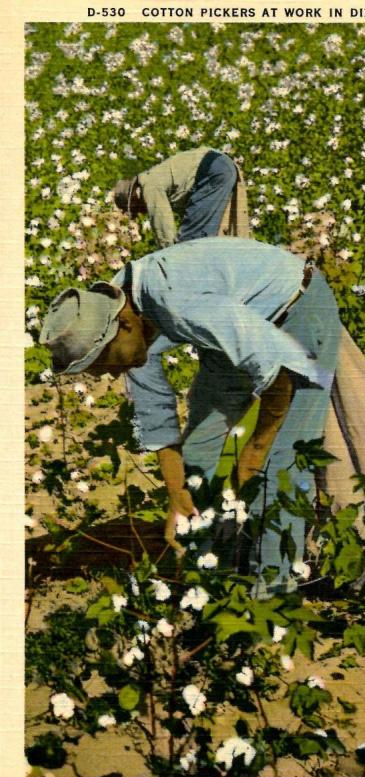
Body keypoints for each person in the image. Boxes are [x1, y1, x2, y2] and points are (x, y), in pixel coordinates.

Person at [40, 238, 341, 597]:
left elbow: (274, 370)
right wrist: (176, 493)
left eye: (103, 362)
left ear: (124, 325)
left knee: (281, 463)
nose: (105, 375)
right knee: (198, 456)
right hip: (232, 327)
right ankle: (205, 570)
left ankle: (274, 592)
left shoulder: (178, 303)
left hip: (297, 313)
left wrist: (255, 451)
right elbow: (155, 412)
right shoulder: (121, 306)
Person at [113, 147, 250, 248]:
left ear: (134, 196)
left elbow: (162, 222)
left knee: (190, 243)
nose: (142, 213)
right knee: (213, 237)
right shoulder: (155, 178)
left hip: (213, 170)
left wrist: (168, 255)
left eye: (136, 209)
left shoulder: (149, 185)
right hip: (221, 166)